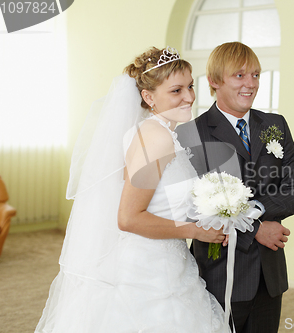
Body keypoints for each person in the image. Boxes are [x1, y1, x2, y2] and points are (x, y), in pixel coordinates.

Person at [35, 46, 230, 333]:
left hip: (167, 260)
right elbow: (128, 218)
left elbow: (158, 201)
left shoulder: (160, 133)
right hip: (148, 273)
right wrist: (194, 230)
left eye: (190, 86)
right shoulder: (155, 138)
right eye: (176, 90)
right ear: (148, 97)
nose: (189, 96)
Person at [176, 42, 294, 333]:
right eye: (239, 75)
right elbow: (199, 205)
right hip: (219, 272)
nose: (251, 84)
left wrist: (257, 213)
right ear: (214, 81)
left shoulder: (276, 124)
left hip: (269, 275)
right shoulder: (189, 134)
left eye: (256, 75)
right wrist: (258, 229)